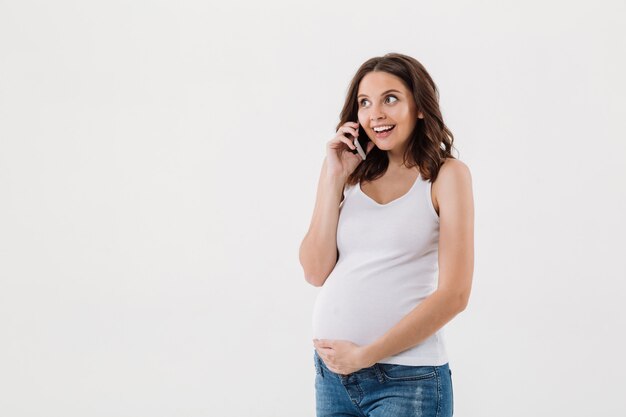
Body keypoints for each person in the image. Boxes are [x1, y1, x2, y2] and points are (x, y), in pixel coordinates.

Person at [299, 52, 474, 417]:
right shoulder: (348, 174)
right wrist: (332, 178)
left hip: (408, 380)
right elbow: (315, 271)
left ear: (420, 107)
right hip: (333, 378)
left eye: (390, 99)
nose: (375, 113)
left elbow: (455, 295)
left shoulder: (446, 176)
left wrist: (366, 355)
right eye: (365, 103)